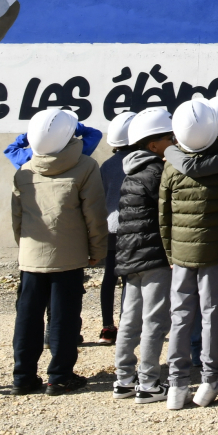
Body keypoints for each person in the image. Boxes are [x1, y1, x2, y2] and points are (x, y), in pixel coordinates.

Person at [10, 108, 108, 396]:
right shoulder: (86, 166)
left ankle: (23, 377)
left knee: (27, 317)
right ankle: (60, 377)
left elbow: (17, 218)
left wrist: (25, 249)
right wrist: (97, 249)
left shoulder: (24, 170)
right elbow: (94, 214)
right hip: (69, 256)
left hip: (31, 258)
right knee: (64, 317)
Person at [159, 99, 218, 409]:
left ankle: (177, 385)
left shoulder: (171, 166)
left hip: (181, 255)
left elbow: (163, 216)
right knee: (212, 315)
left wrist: (171, 253)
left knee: (180, 317)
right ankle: (210, 380)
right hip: (215, 254)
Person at [114, 107, 176, 404]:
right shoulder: (158, 174)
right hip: (154, 257)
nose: (174, 141)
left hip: (130, 258)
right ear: (153, 145)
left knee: (130, 319)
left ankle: (124, 379)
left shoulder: (130, 172)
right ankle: (149, 382)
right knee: (154, 320)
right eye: (169, 138)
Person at [98, 110, 139, 343]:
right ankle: (126, 325)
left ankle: (107, 327)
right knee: (128, 279)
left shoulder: (106, 165)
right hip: (132, 229)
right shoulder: (139, 162)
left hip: (110, 228)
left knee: (109, 278)